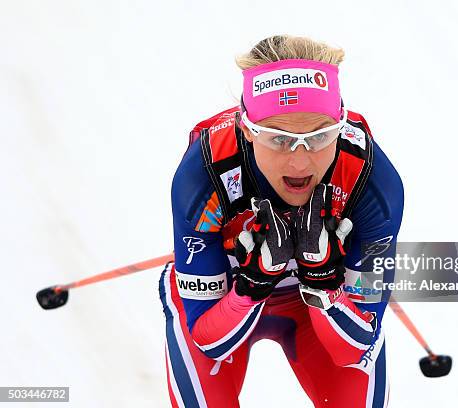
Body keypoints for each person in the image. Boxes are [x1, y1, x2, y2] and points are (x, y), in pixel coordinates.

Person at [159, 35, 404, 408]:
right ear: (247, 130)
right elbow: (209, 340)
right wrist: (251, 286)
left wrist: (324, 286)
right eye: (277, 140)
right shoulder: (205, 175)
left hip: (313, 312)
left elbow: (356, 346)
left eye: (320, 137)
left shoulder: (370, 182)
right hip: (226, 298)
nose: (300, 163)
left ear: (340, 126)